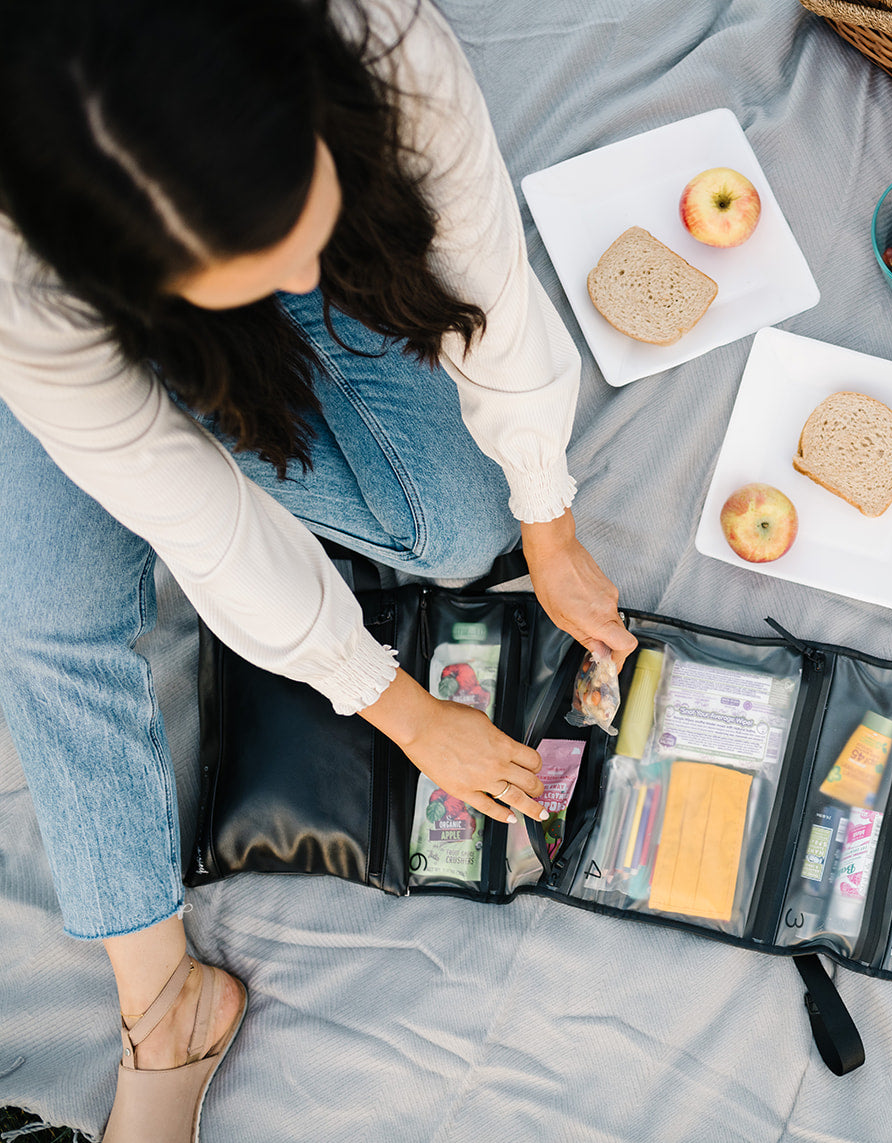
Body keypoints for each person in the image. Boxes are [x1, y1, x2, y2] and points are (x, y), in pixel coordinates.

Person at [0, 0, 637, 1138]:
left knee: (459, 532)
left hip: (197, 279)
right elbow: (200, 525)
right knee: (42, 623)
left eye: (300, 216)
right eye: (261, 265)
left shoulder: (380, 39)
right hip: (100, 328)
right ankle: (164, 1006)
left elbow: (481, 282)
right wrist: (397, 709)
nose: (302, 264)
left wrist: (550, 518)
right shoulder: (33, 287)